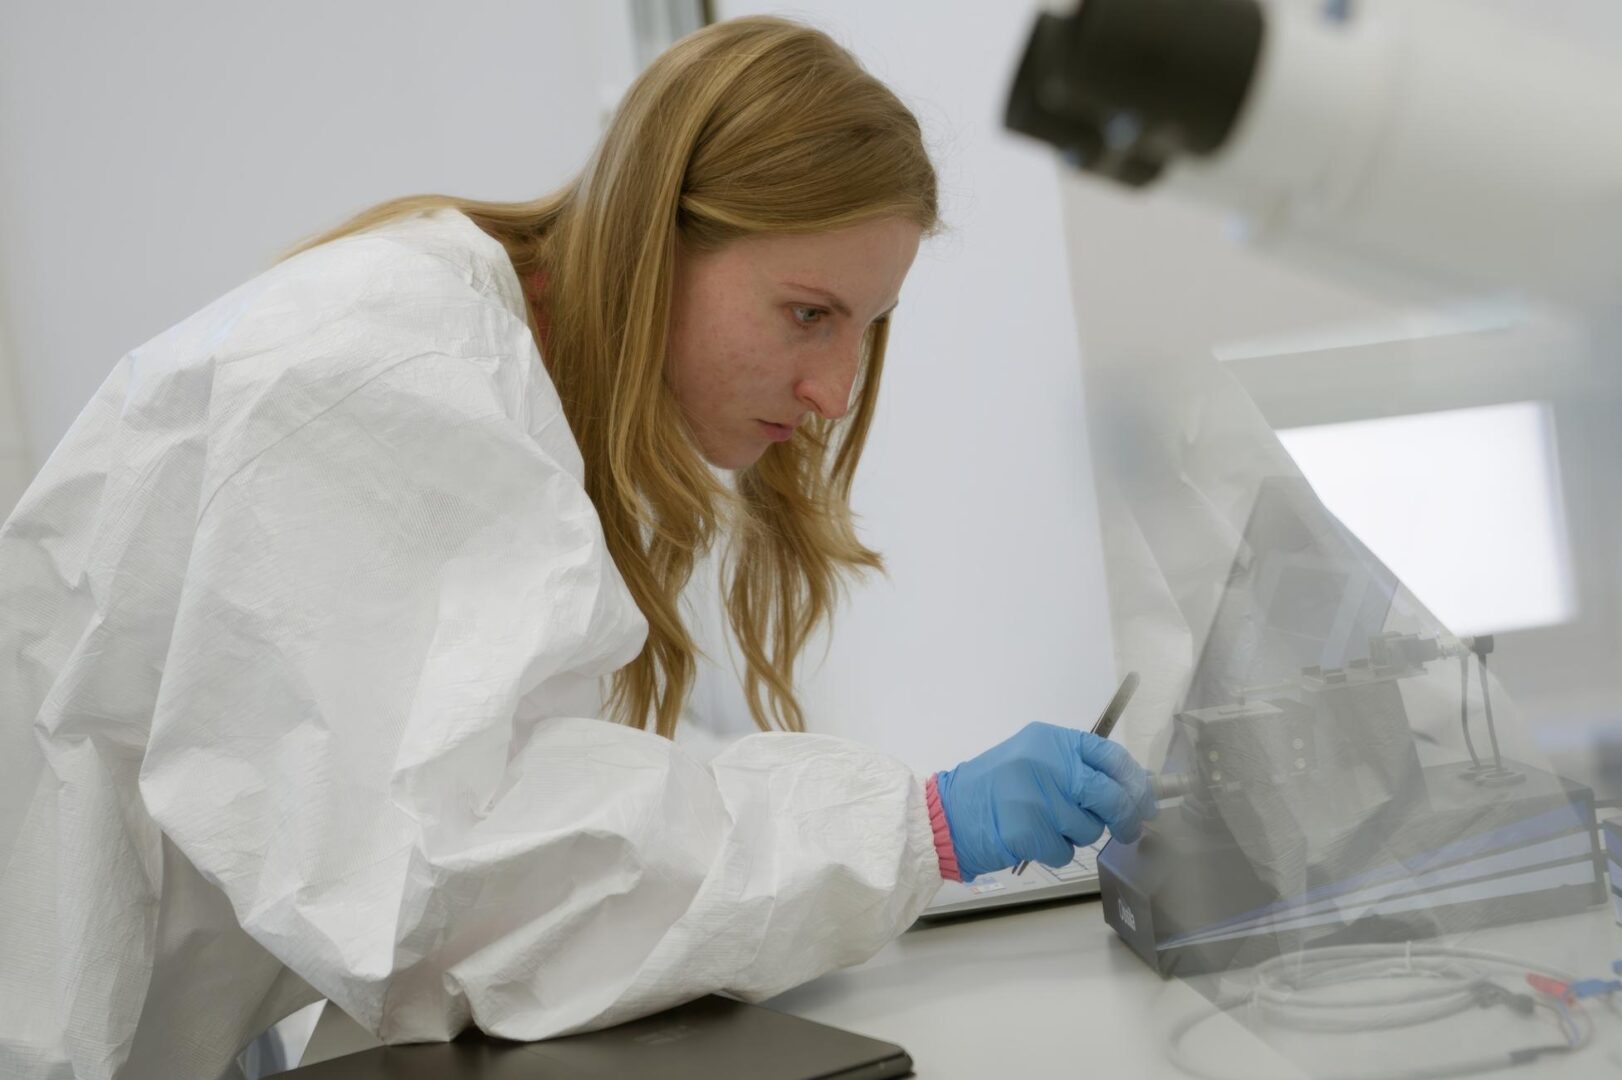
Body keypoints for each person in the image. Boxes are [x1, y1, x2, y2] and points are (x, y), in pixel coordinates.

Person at [0, 17, 1154, 1080]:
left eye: (867, 326)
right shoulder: (391, 373)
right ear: (660, 235)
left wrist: (881, 829)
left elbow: (518, 778)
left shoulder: (504, 371)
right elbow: (465, 882)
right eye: (809, 314)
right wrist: (915, 826)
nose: (836, 392)